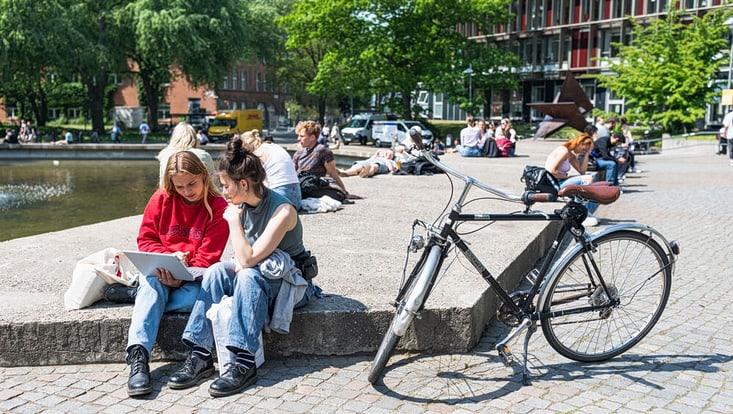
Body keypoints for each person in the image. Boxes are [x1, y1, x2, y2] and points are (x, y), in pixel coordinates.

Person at [169, 141, 316, 397]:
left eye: (226, 186)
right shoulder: (244, 205)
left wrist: (234, 222)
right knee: (215, 271)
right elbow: (242, 259)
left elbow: (247, 260)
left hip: (290, 283)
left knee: (247, 274)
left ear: (244, 184)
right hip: (261, 275)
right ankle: (200, 355)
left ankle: (243, 360)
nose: (223, 192)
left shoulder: (282, 211)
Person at [123, 151, 229, 397]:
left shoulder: (218, 207)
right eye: (180, 186)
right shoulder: (162, 198)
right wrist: (169, 259)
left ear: (204, 175)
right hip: (160, 272)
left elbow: (208, 258)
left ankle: (140, 297)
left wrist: (183, 272)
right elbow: (146, 239)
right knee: (153, 283)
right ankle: (138, 357)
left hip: (193, 278)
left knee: (198, 299)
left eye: (192, 184)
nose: (187, 191)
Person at [545, 133, 600, 226]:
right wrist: (568, 177)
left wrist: (587, 153)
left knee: (591, 176)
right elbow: (552, 171)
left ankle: (586, 212)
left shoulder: (570, 154)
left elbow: (582, 171)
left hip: (560, 180)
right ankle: (580, 214)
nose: (583, 152)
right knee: (587, 179)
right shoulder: (564, 151)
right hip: (554, 183)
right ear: (580, 143)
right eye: (583, 149)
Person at [239, 129, 301, 208]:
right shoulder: (273, 146)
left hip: (280, 200)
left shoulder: (257, 154)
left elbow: (256, 182)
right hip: (296, 198)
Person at [292, 120, 348, 195]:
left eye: (301, 136)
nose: (298, 139)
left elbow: (333, 174)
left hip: (312, 187)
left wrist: (345, 192)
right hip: (302, 186)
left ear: (312, 137)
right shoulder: (298, 153)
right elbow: (292, 172)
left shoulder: (322, 151)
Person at [157, 122, 216, 188]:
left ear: (174, 138)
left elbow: (162, 186)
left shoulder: (166, 156)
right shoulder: (204, 155)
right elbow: (213, 183)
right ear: (194, 137)